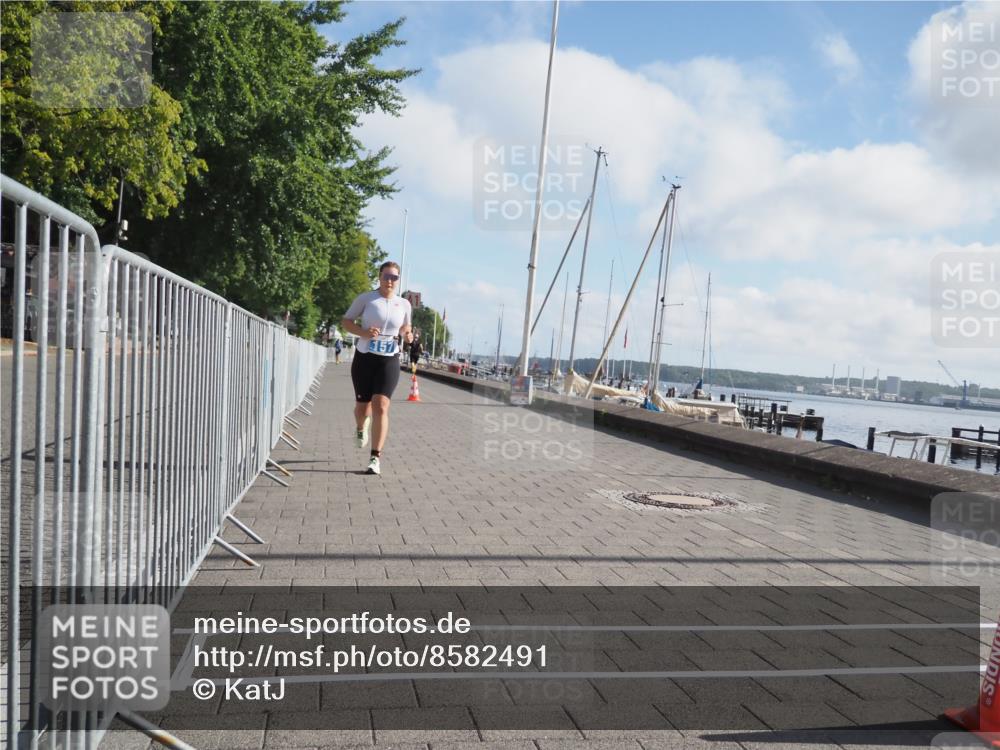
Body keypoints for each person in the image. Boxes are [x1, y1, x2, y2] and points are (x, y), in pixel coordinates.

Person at [340, 261, 412, 475]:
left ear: (398, 280)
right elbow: (346, 321)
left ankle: (375, 458)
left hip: (389, 359)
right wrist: (363, 333)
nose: (390, 281)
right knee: (363, 408)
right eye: (386, 276)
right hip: (365, 357)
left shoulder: (404, 304)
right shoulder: (366, 299)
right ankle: (360, 427)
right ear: (379, 277)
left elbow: (405, 326)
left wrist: (407, 334)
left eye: (394, 277)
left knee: (381, 405)